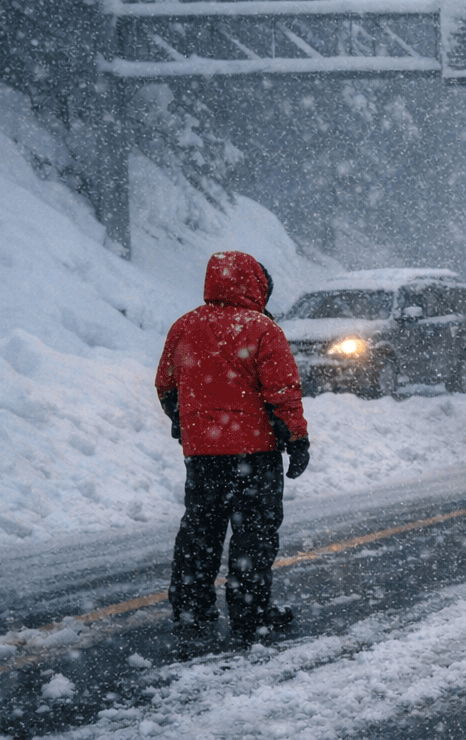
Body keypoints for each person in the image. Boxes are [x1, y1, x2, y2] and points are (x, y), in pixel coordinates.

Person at [156, 250, 311, 646]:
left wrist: (183, 421)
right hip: (254, 456)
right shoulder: (261, 329)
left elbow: (166, 384)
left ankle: (192, 614)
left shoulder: (183, 327)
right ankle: (250, 617)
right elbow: (283, 392)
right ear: (256, 286)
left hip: (203, 456)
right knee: (253, 538)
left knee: (199, 533)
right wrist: (296, 439)